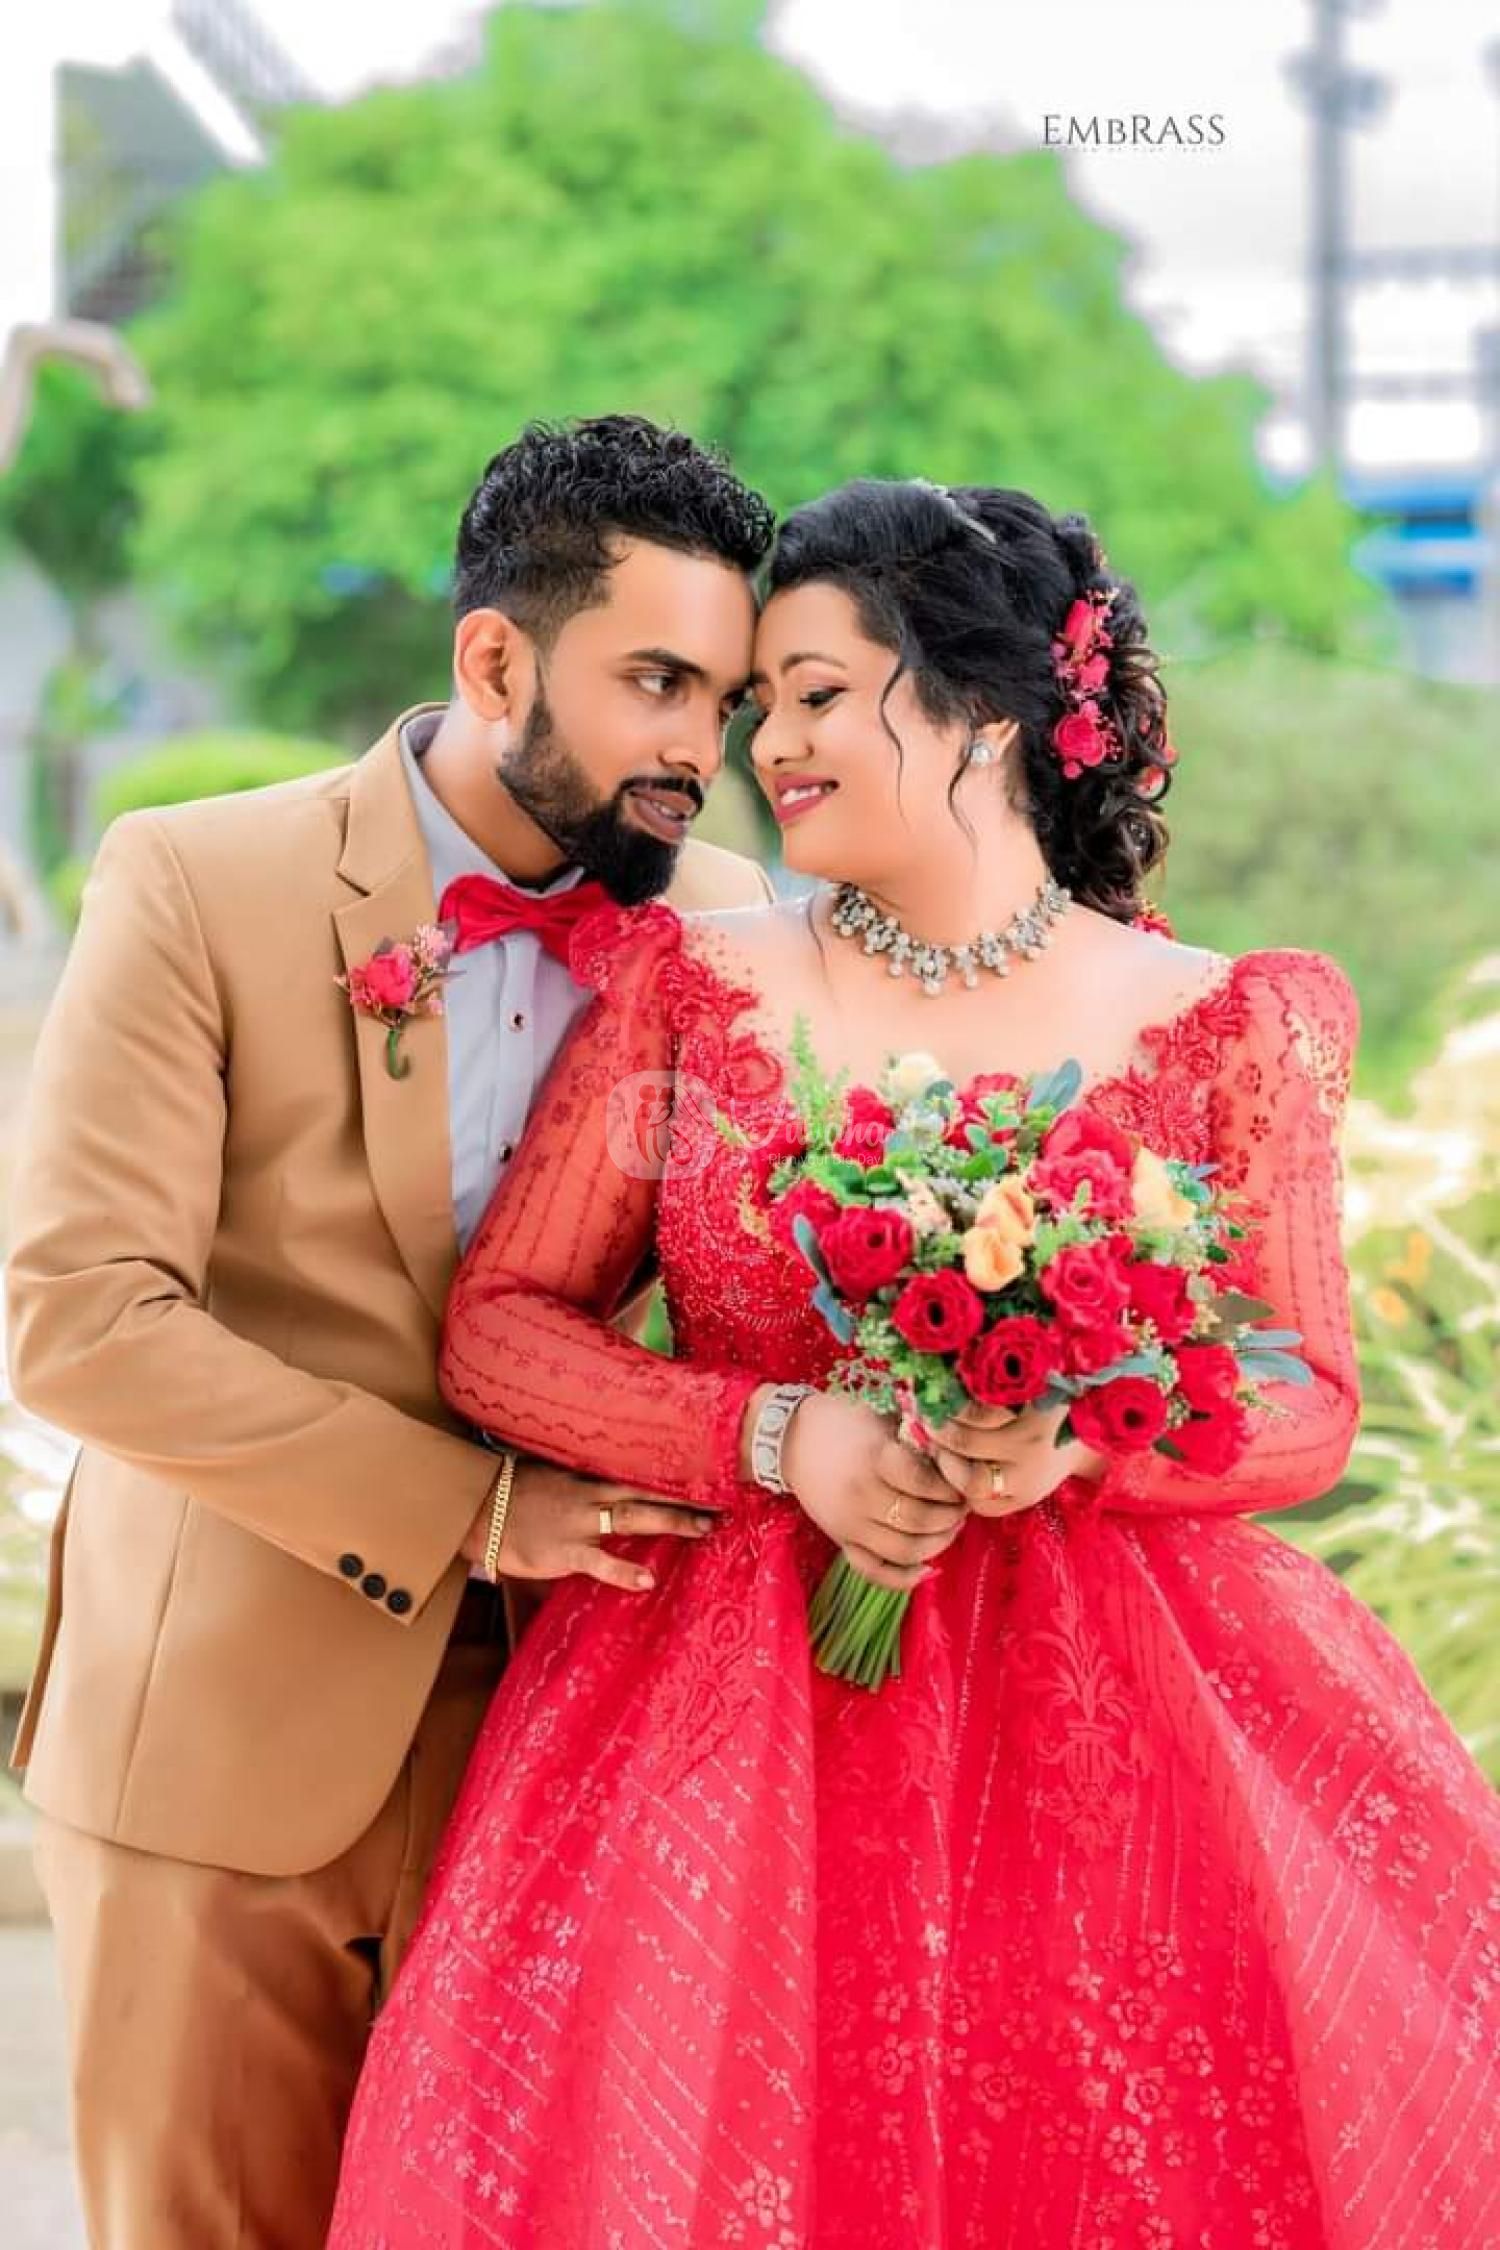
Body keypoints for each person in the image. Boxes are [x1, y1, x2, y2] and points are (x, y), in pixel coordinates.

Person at [328, 478, 1500, 2247]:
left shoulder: (1228, 1020)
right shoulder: (687, 983)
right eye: (757, 706)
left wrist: (1085, 1438)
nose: (765, 747)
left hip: (1121, 1745)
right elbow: (501, 1327)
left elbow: (1306, 1393)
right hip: (723, 1733)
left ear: (986, 715)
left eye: (814, 694)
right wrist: (775, 1432)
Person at [3, 414, 778, 2250]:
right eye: (656, 682)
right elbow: (79, 1314)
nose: (700, 748)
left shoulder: (730, 925)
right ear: (494, 659)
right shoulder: (196, 876)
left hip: (565, 1747)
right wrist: (472, 1509)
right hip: (220, 1739)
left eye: (728, 699)